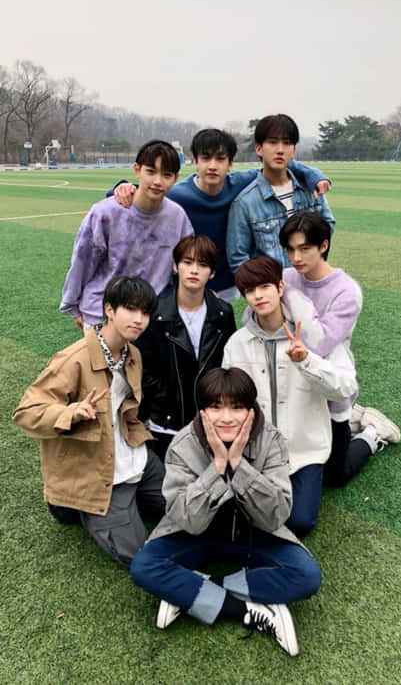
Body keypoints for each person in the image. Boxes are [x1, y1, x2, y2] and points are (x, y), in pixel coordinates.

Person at [130, 367, 321, 657]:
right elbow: (189, 522)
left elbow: (275, 517)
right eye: (215, 407)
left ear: (251, 409)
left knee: (307, 576)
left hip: (254, 533)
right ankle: (246, 610)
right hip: (196, 535)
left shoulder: (272, 441)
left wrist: (239, 466)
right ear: (203, 410)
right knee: (144, 567)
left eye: (237, 407)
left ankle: (193, 590)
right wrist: (218, 466)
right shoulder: (183, 444)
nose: (227, 417)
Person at [13, 276, 165, 566]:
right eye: (131, 309)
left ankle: (119, 503)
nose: (139, 319)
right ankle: (74, 505)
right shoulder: (74, 359)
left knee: (183, 507)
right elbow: (26, 412)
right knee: (139, 557)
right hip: (94, 467)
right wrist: (70, 413)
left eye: (145, 313)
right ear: (109, 309)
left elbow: (126, 408)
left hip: (131, 451)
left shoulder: (133, 353)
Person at [108, 128, 331, 300]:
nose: (212, 166)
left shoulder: (241, 183)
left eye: (220, 159)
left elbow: (279, 165)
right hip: (184, 281)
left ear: (230, 163)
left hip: (225, 284)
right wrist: (121, 186)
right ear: (194, 161)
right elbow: (136, 196)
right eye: (205, 158)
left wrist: (315, 176)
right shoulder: (177, 194)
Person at [222, 256, 357, 536]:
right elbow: (229, 398)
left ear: (281, 287)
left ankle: (369, 434)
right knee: (241, 516)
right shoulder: (238, 343)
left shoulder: (316, 335)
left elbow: (345, 387)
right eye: (249, 290)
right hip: (259, 451)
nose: (258, 295)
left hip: (304, 450)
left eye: (264, 286)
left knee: (299, 522)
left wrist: (306, 360)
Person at [279, 211, 400, 485]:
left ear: (324, 246)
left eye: (305, 248)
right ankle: (356, 418)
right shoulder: (286, 276)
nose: (296, 258)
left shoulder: (346, 291)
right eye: (290, 249)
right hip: (293, 385)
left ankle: (371, 433)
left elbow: (319, 343)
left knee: (336, 476)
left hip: (330, 385)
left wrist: (293, 298)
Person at [60, 140, 193, 331]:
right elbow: (82, 261)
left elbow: (186, 264)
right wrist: (73, 307)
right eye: (151, 171)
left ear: (175, 178)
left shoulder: (177, 217)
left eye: (166, 175)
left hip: (150, 318)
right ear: (137, 170)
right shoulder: (104, 213)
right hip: (103, 314)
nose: (158, 181)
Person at [137, 235, 236, 459]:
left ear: (211, 273)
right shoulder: (156, 314)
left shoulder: (222, 313)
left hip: (210, 419)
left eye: (202, 265)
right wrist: (163, 398)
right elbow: (143, 368)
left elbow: (227, 364)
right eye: (187, 262)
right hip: (165, 422)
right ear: (175, 266)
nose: (194, 270)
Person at [226, 114, 335, 274]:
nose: (280, 150)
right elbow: (238, 258)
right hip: (274, 291)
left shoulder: (310, 189)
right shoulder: (244, 203)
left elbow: (328, 225)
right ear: (259, 148)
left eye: (287, 143)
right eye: (272, 142)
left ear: (294, 150)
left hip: (312, 282)